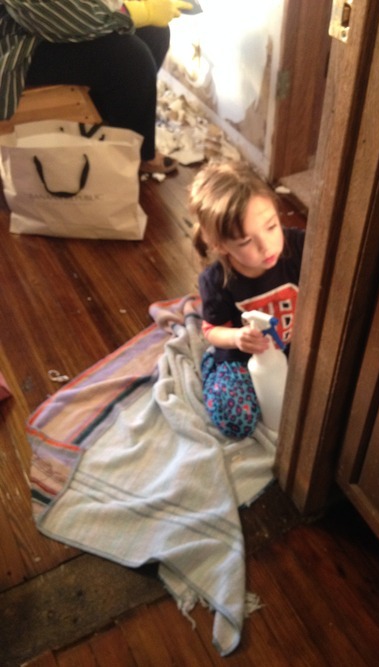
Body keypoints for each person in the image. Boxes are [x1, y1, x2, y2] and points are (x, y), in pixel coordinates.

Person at [0, 0, 191, 174]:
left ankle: (108, 130)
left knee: (154, 33)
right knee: (131, 59)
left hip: (57, 18)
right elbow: (63, 17)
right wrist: (132, 12)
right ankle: (133, 153)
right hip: (19, 38)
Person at [190, 160, 306, 439]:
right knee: (236, 422)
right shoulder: (216, 280)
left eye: (271, 226)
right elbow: (211, 330)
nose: (266, 246)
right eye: (245, 242)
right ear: (220, 245)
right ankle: (211, 368)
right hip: (244, 359)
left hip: (295, 348)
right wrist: (236, 338)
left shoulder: (300, 246)